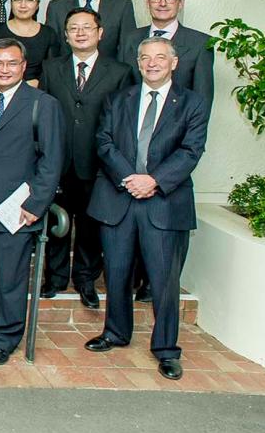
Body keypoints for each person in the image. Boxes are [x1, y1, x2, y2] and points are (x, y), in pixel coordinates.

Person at [86, 37, 208, 381]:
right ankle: (116, 332)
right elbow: (104, 141)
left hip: (164, 203)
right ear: (138, 64)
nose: (152, 63)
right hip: (119, 198)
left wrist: (152, 180)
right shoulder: (118, 99)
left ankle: (167, 349)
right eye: (145, 58)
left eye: (159, 57)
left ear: (173, 63)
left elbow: (191, 150)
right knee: (117, 274)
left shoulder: (192, 103)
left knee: (164, 280)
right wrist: (129, 177)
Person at [0, 38, 64, 366]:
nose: (3, 69)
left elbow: (51, 161)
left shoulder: (42, 103)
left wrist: (35, 205)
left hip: (17, 208)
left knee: (11, 277)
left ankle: (4, 338)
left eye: (11, 63)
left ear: (23, 67)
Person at [39, 7, 130, 306]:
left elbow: (122, 122)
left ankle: (85, 280)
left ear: (100, 33)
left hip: (98, 163)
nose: (80, 33)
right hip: (59, 160)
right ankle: (54, 277)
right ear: (65, 35)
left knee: (90, 226)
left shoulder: (119, 72)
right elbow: (46, 115)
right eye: (73, 28)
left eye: (86, 28)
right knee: (55, 224)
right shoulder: (52, 68)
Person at [118, 0, 214, 112]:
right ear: (148, 2)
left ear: (180, 3)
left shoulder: (200, 44)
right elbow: (120, 92)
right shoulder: (129, 39)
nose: (162, 3)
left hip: (178, 128)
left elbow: (203, 99)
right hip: (131, 124)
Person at [0, 0, 61, 84]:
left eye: (30, 0)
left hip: (37, 91)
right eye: (17, 0)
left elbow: (53, 70)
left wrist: (39, 83)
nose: (23, 5)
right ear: (11, 2)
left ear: (37, 4)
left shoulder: (48, 33)